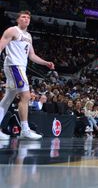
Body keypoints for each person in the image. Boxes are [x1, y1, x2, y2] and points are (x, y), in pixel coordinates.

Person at [0, 10, 55, 141]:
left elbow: (32, 55)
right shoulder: (12, 31)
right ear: (18, 20)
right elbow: (1, 46)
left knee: (7, 99)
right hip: (14, 66)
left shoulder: (28, 36)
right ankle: (25, 129)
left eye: (28, 18)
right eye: (23, 17)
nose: (26, 19)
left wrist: (45, 63)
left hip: (21, 67)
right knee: (26, 95)